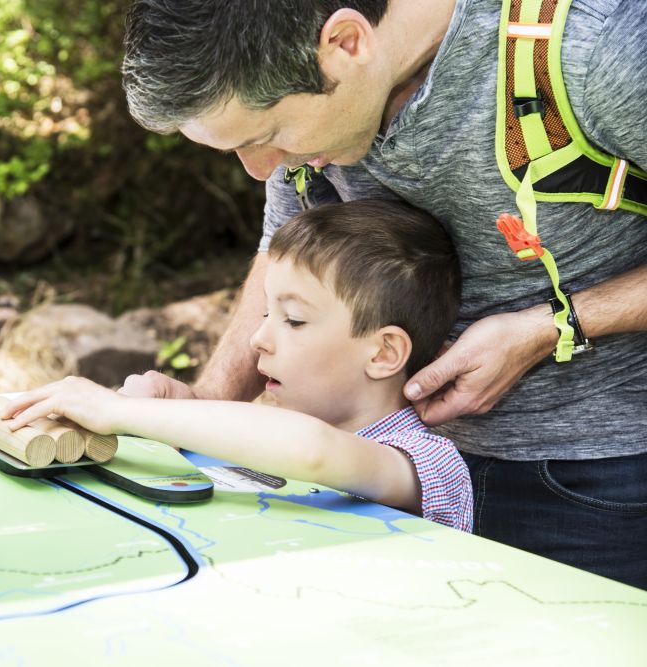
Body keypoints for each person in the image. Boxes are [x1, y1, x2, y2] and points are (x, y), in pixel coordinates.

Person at [118, 0, 647, 588]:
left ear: (346, 43)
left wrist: (550, 328)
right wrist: (208, 404)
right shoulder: (305, 105)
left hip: (596, 480)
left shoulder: (596, 48)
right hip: (384, 470)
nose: (260, 169)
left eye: (267, 135)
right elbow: (282, 249)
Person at [4, 200, 473, 531]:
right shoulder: (268, 431)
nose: (258, 338)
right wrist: (174, 415)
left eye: (293, 319)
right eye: (266, 313)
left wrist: (121, 412)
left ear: (383, 353)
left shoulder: (425, 462)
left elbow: (313, 451)